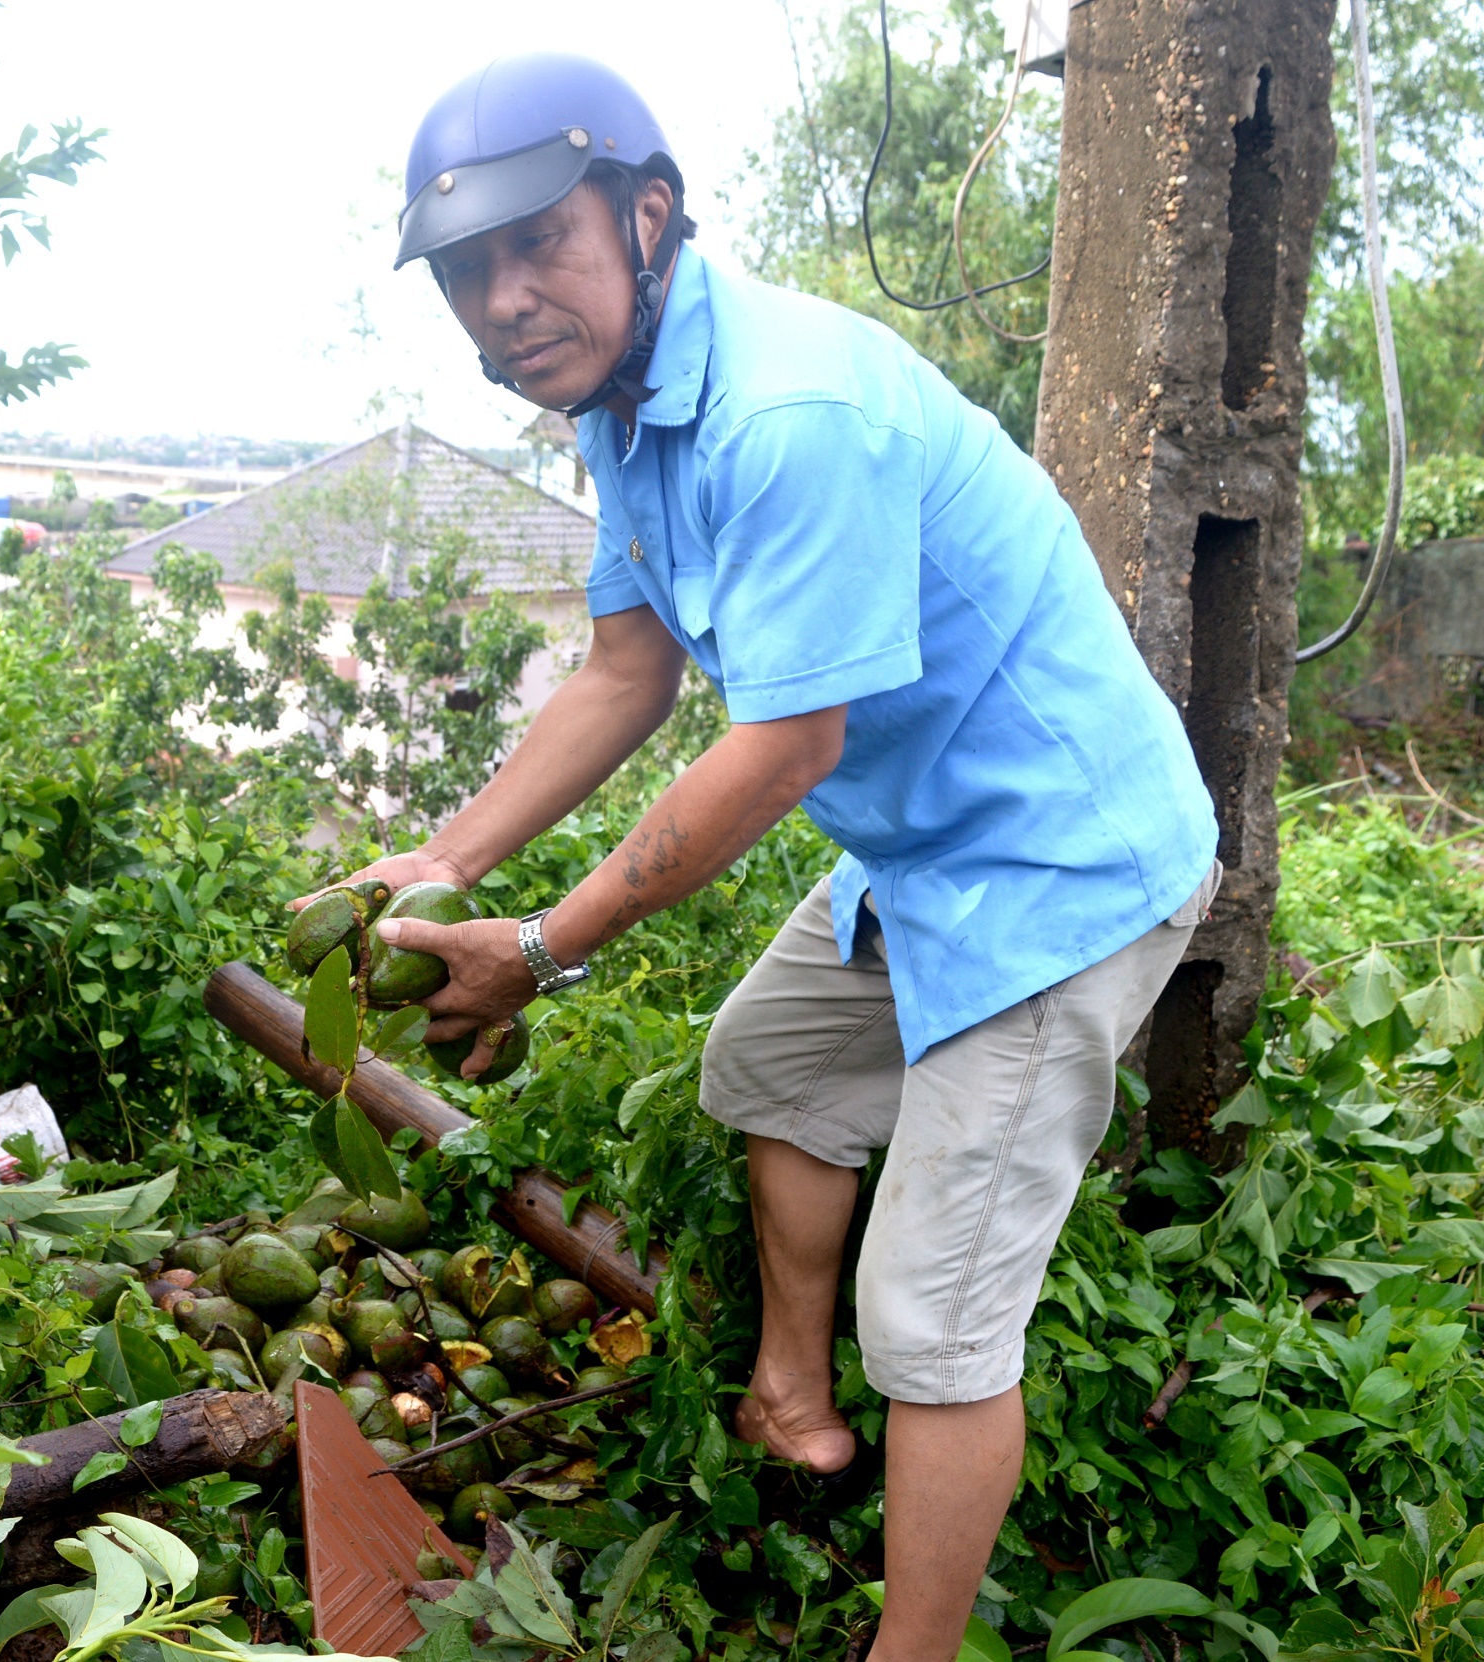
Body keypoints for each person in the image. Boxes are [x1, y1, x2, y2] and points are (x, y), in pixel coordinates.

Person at [298, 51, 1224, 1661]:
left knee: (933, 1321)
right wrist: (438, 865)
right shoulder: (625, 411)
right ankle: (794, 1403)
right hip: (921, 838)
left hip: (1059, 861)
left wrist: (540, 944)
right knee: (771, 1061)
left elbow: (784, 746)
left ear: (648, 216)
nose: (507, 300)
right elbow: (623, 674)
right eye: (468, 273)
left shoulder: (789, 413)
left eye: (542, 247)